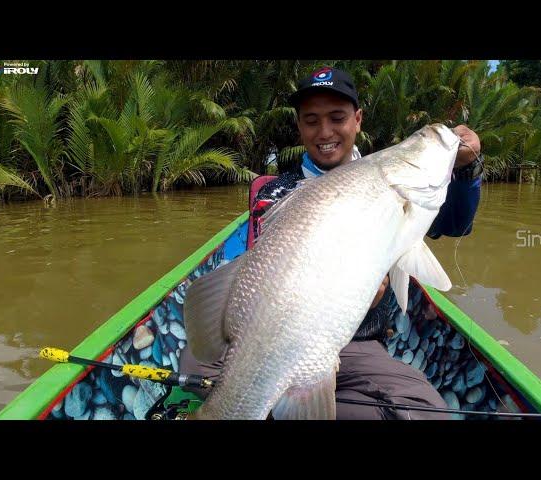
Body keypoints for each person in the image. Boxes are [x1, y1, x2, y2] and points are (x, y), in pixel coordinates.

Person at [180, 67, 483, 419]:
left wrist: (465, 169)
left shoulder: (396, 187)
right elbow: (254, 275)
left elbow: (456, 224)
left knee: (425, 413)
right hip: (265, 336)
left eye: (337, 118)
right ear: (299, 127)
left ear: (357, 120)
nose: (324, 132)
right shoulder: (274, 192)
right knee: (194, 364)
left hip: (358, 344)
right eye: (311, 121)